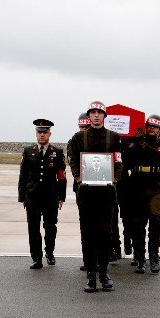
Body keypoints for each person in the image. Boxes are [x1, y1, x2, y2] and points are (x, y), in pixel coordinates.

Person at [69, 101, 122, 292]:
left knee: (105, 234)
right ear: (89, 116)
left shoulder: (114, 138)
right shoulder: (78, 138)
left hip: (107, 194)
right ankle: (91, 274)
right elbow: (73, 161)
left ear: (104, 116)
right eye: (93, 112)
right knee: (88, 235)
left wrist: (114, 179)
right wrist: (78, 178)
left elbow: (118, 162)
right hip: (86, 194)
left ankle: (104, 273)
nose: (96, 115)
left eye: (100, 112)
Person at [18, 118, 67, 269]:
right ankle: (36, 258)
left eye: (45, 132)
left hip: (50, 197)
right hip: (32, 197)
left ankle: (50, 253)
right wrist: (22, 196)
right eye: (39, 132)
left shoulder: (57, 153)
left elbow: (62, 176)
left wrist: (61, 196)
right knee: (33, 228)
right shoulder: (28, 151)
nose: (42, 135)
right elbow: (23, 175)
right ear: (36, 133)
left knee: (50, 227)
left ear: (49, 133)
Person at [124, 115, 160, 273]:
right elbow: (126, 161)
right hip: (136, 185)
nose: (151, 128)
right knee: (138, 224)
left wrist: (143, 147)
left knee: (155, 223)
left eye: (154, 127)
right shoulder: (135, 142)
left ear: (159, 129)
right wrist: (134, 144)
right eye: (148, 125)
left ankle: (154, 256)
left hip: (155, 186)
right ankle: (140, 258)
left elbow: (159, 159)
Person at [67, 112, 91, 271]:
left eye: (86, 127)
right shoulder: (73, 142)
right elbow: (72, 161)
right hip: (81, 187)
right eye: (81, 127)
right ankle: (87, 260)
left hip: (101, 188)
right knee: (85, 225)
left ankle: (102, 257)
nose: (83, 129)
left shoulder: (98, 140)